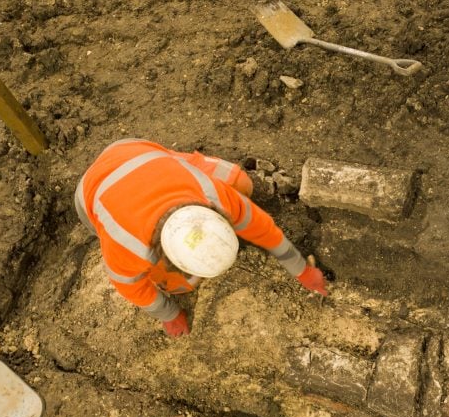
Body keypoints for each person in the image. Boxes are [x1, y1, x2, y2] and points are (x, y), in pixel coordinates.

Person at [74, 138, 328, 337]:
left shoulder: (214, 195)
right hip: (90, 191)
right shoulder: (128, 249)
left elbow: (261, 226)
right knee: (177, 284)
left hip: (134, 150)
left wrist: (301, 269)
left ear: (215, 214)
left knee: (242, 183)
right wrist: (169, 314)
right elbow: (132, 288)